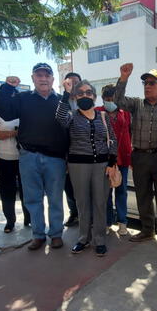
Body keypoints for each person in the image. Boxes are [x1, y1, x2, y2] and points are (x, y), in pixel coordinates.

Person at [0, 63, 68, 251]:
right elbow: (3, 111)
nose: (43, 78)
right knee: (32, 199)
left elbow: (69, 131)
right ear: (33, 78)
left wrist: (67, 158)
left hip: (55, 159)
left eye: (47, 75)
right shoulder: (22, 98)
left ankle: (56, 234)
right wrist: (7, 87)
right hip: (29, 157)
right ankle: (38, 235)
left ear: (53, 79)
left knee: (55, 199)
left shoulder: (62, 101)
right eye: (39, 75)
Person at [56, 79, 118, 256]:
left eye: (88, 92)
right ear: (76, 97)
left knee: (100, 203)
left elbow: (112, 140)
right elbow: (59, 118)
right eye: (80, 93)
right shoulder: (71, 116)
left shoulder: (103, 116)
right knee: (83, 203)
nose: (85, 95)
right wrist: (66, 94)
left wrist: (112, 163)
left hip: (102, 166)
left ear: (94, 96)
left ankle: (99, 240)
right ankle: (83, 238)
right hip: (78, 166)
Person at [114, 63, 157, 251]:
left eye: (152, 83)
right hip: (139, 157)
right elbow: (117, 100)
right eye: (145, 83)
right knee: (143, 197)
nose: (147, 86)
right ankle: (148, 230)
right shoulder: (137, 104)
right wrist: (123, 78)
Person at [0, 97, 31, 233]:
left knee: (27, 190)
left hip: (24, 156)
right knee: (7, 191)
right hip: (4, 156)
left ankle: (28, 219)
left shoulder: (23, 110)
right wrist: (14, 133)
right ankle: (10, 221)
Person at [95, 84, 132, 237]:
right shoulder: (97, 112)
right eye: (107, 99)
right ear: (102, 99)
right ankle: (107, 222)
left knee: (122, 191)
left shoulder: (126, 113)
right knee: (105, 193)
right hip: (104, 159)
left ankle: (122, 222)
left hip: (122, 157)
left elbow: (129, 134)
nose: (110, 102)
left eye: (112, 99)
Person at [63, 72, 82, 227]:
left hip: (82, 152)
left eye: (77, 82)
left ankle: (85, 216)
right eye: (71, 82)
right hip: (66, 151)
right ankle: (74, 213)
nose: (74, 85)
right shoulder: (61, 101)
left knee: (83, 187)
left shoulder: (86, 101)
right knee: (69, 187)